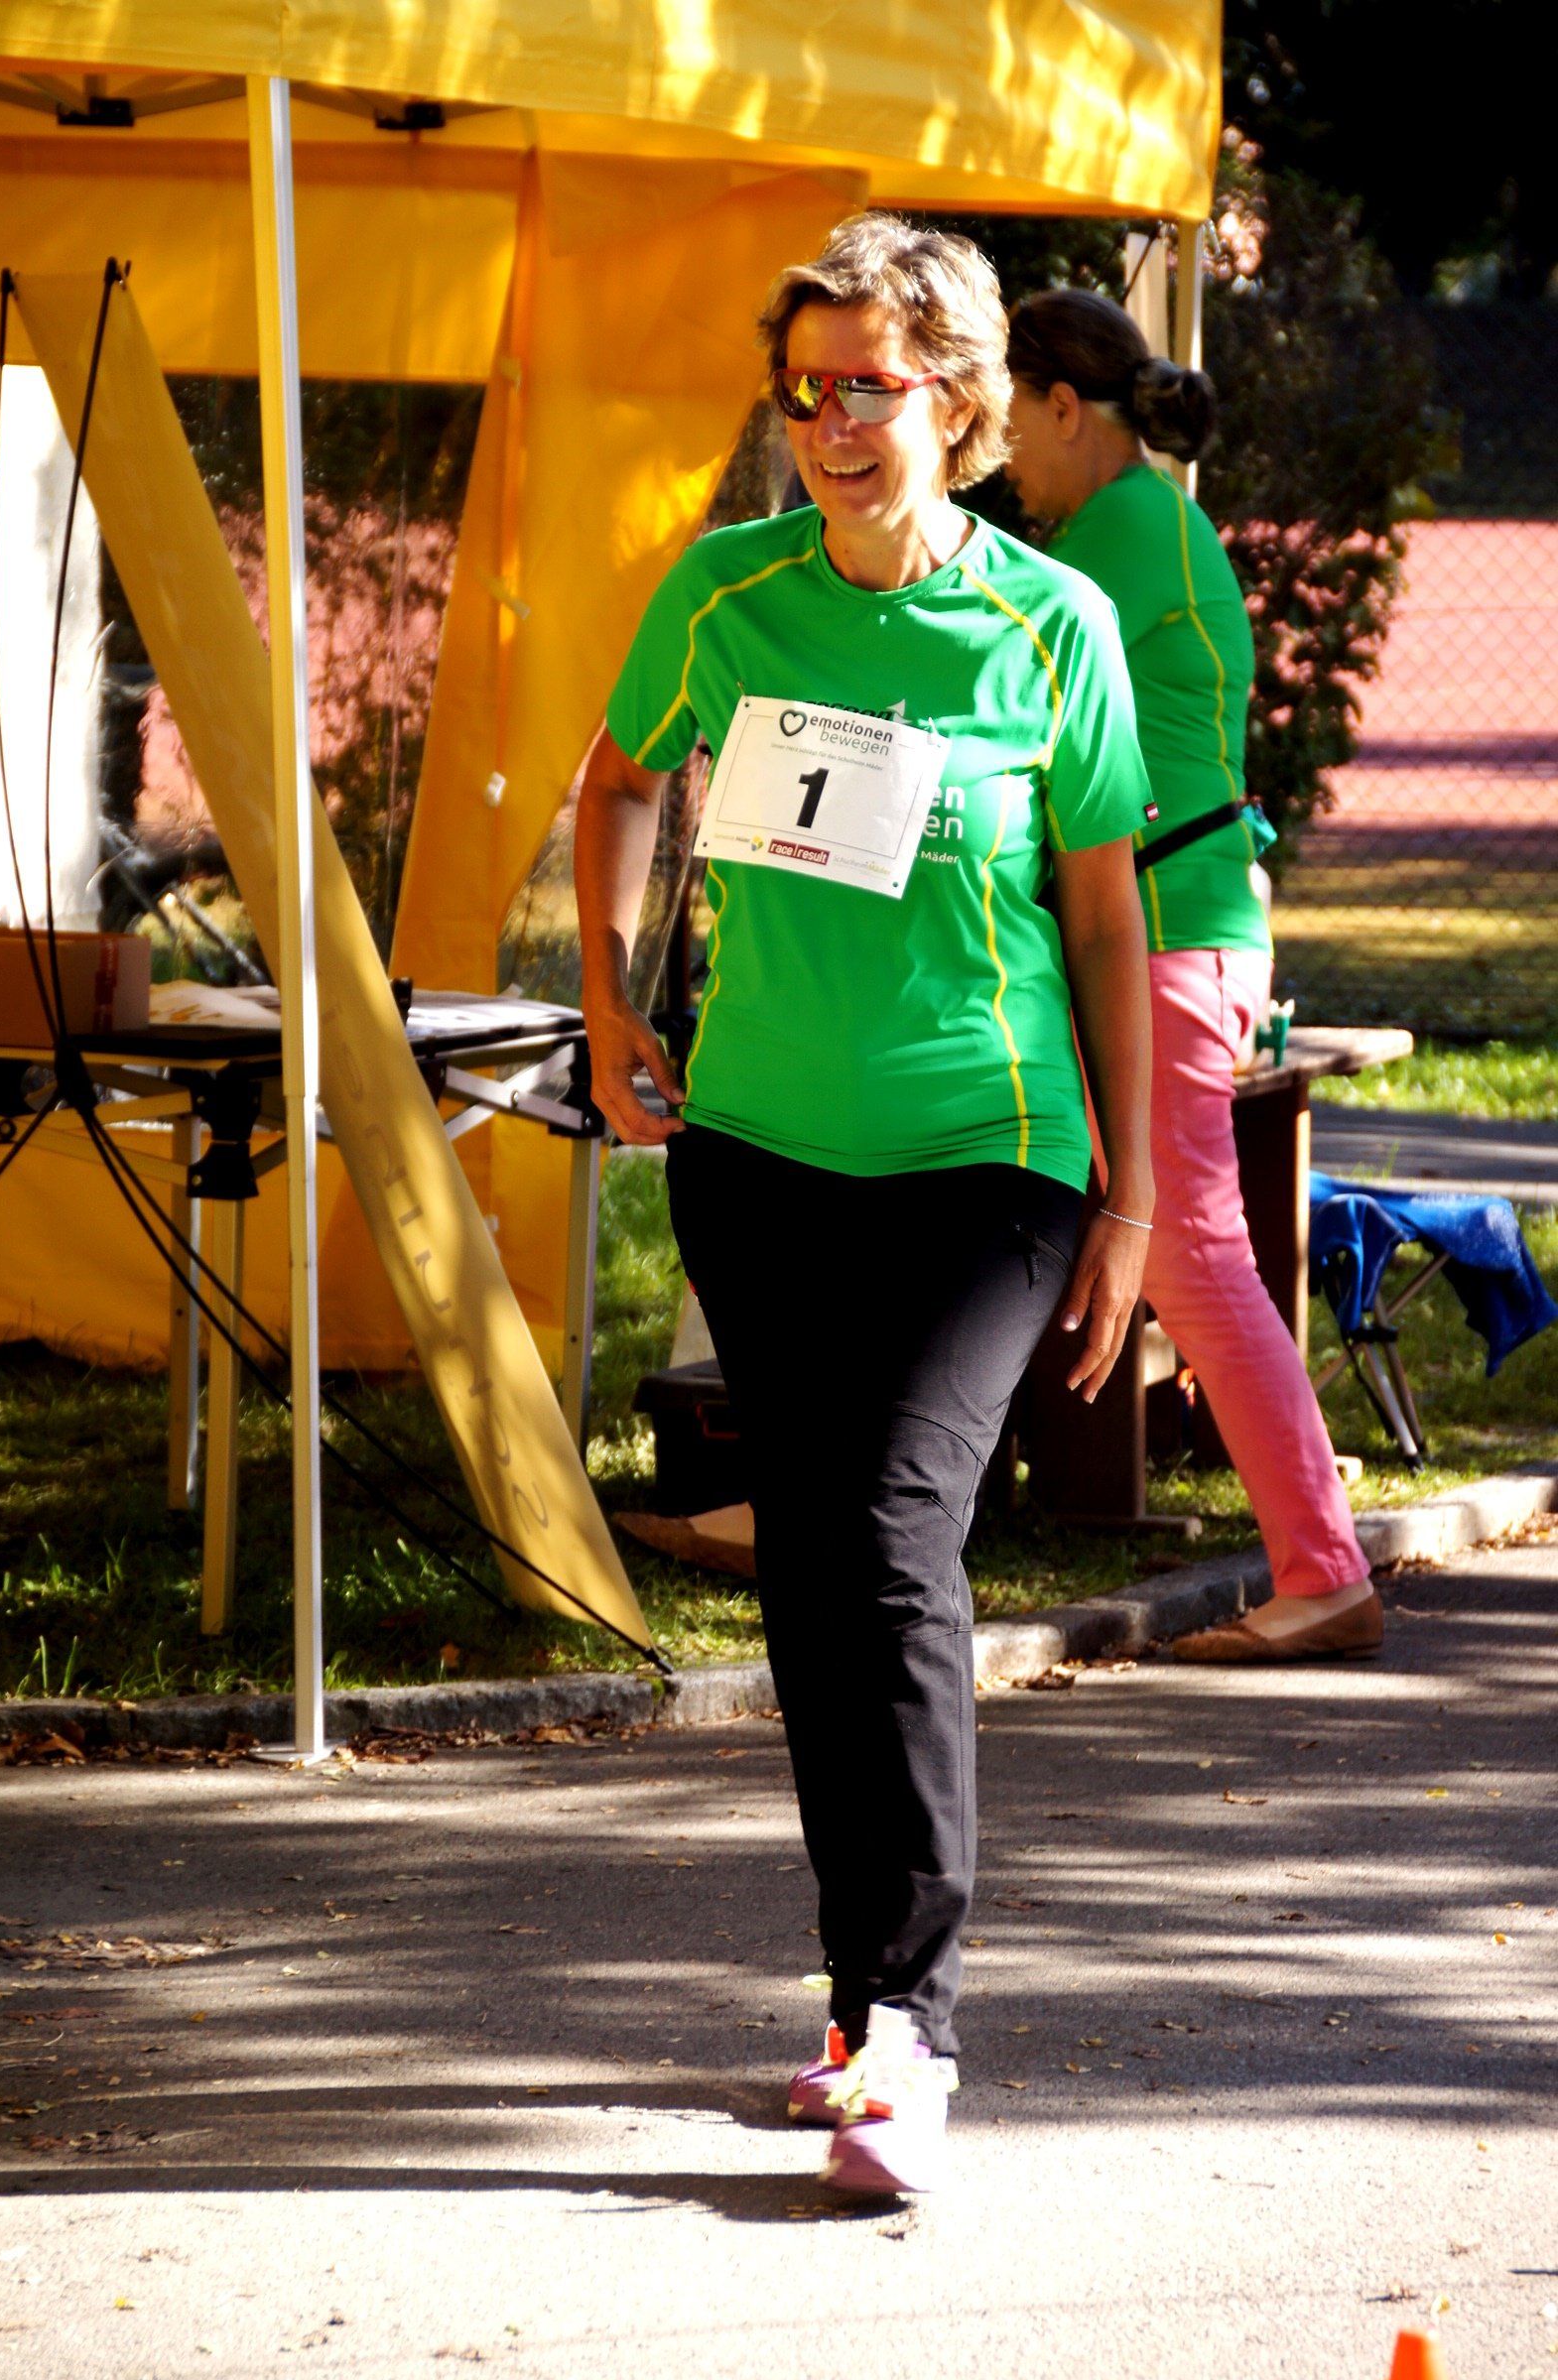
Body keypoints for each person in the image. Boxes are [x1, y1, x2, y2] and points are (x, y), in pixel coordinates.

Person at [576, 214, 1155, 2197]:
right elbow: (615, 781)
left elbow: (1105, 911)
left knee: (894, 1540)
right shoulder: (724, 594)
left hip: (988, 1160)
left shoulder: (1049, 629)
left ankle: (912, 2025)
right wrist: (610, 997)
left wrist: (1137, 1200)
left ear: (960, 400)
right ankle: (859, 2009)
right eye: (804, 387)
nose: (830, 422)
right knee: (818, 1572)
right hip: (757, 1158)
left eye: (870, 389)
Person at [1004, 288, 1380, 1664]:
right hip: (1184, 923)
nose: (1002, 452)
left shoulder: (1119, 531)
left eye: (1010, 416)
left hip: (1165, 933)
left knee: (1193, 1256)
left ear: (1063, 406)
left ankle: (1324, 1571)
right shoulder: (1148, 518)